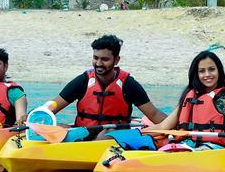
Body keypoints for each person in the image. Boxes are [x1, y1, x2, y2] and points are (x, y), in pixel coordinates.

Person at [34, 34, 166, 138]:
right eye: (95, 58)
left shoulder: (128, 85)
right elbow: (54, 105)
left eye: (105, 59)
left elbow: (153, 113)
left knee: (107, 133)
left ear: (116, 60)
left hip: (112, 137)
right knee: (58, 126)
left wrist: (177, 125)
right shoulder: (83, 81)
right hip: (84, 134)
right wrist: (33, 117)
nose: (98, 63)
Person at [143, 50, 225, 149]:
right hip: (188, 145)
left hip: (216, 148)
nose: (207, 74)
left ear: (219, 71)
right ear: (196, 74)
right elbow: (164, 126)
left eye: (211, 69)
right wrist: (138, 134)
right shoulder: (190, 96)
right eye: (202, 71)